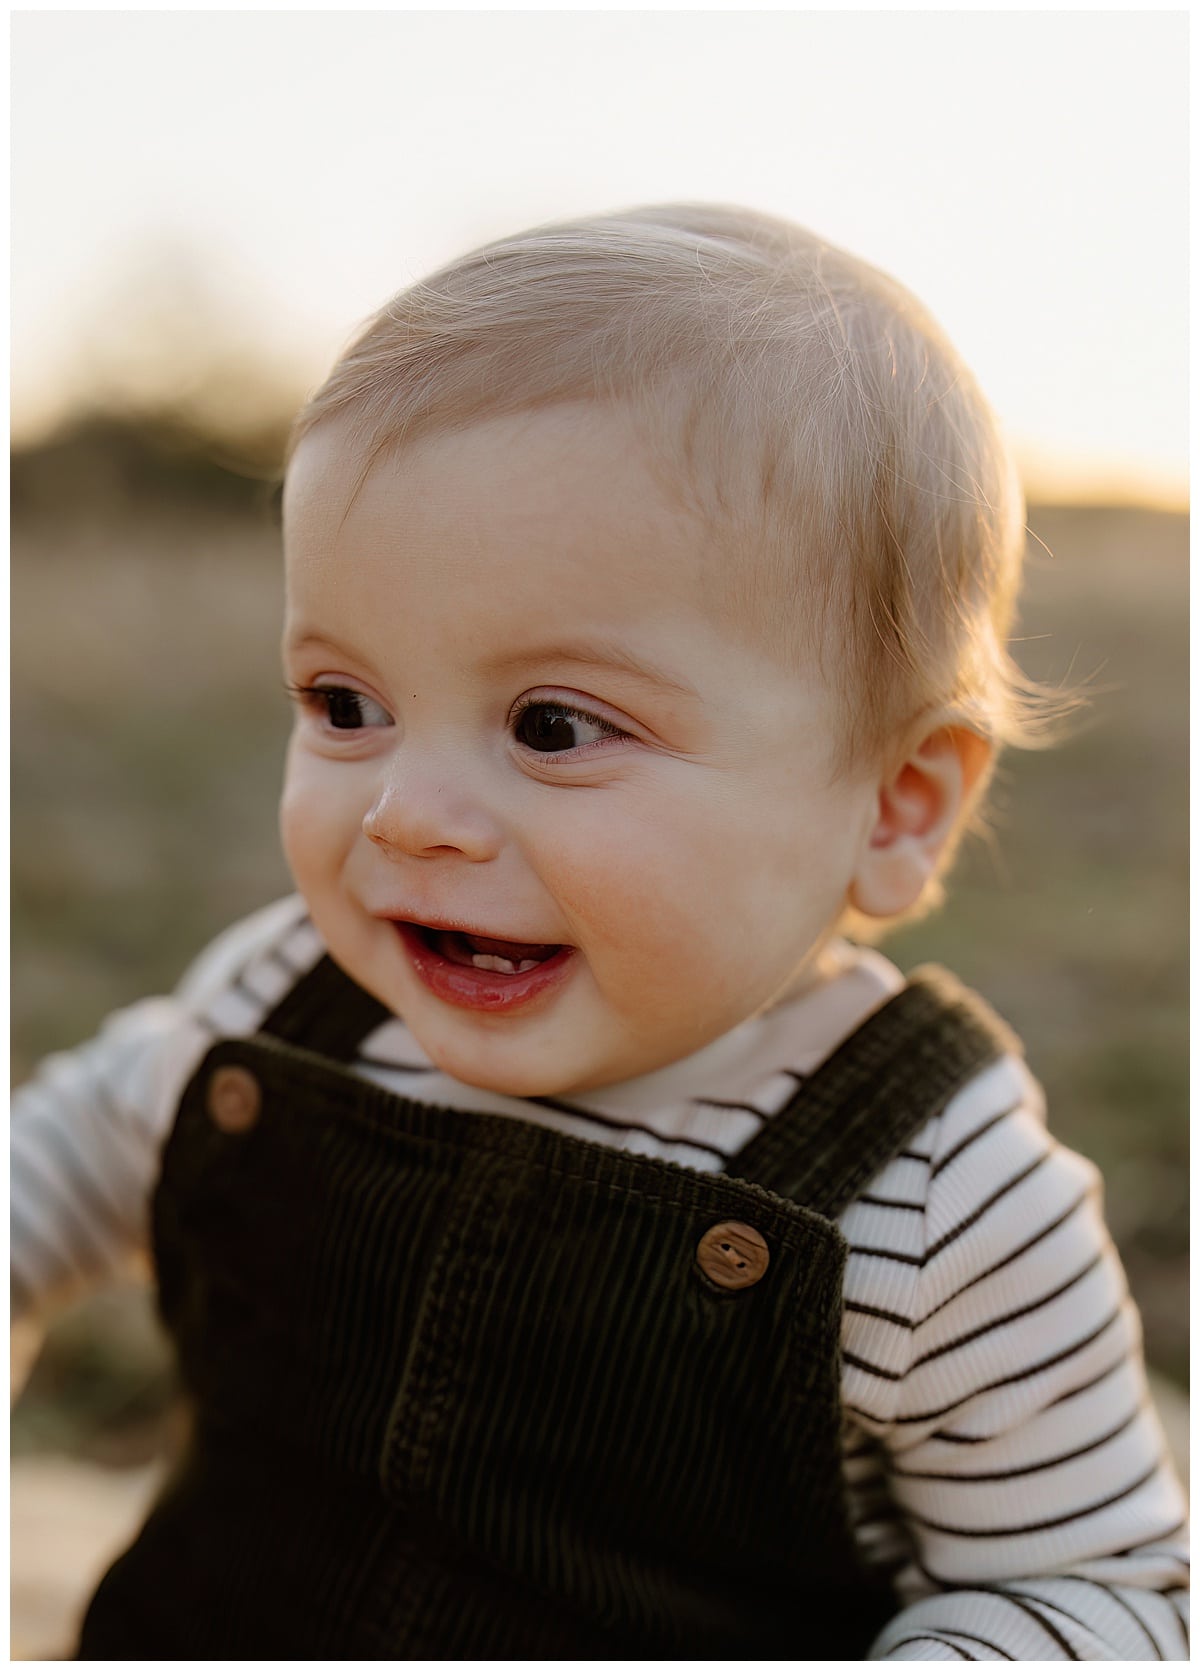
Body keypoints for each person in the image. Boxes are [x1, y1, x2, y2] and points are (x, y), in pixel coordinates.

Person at [12, 204, 1188, 1660]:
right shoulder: (285, 1000)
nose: (405, 814)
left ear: (894, 805)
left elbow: (1096, 1591)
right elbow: (59, 1165)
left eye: (554, 726)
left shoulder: (942, 1200)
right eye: (344, 705)